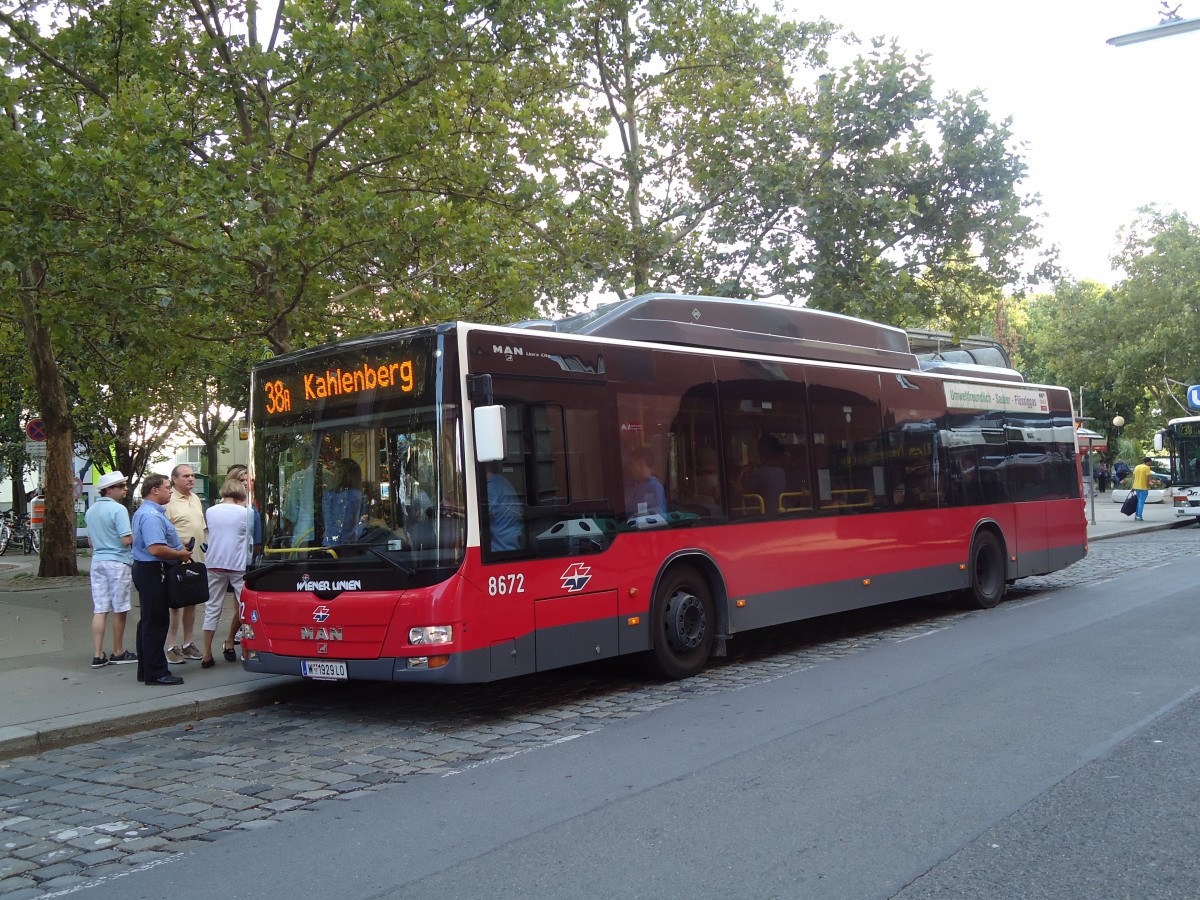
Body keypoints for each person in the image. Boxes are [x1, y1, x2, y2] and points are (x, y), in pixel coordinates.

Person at [131, 474, 191, 687]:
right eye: (167, 487)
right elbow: (155, 548)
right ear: (154, 490)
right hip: (153, 570)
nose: (170, 491)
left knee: (148, 620)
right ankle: (156, 672)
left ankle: (146, 669)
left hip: (147, 569)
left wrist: (176, 543)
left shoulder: (147, 512)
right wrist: (180, 554)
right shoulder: (151, 516)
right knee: (156, 621)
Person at [84, 471, 137, 668]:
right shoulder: (119, 510)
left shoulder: (91, 511)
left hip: (97, 561)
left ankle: (98, 654)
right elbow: (126, 539)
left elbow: (90, 541)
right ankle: (118, 651)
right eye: (120, 486)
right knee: (120, 608)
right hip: (117, 562)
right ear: (109, 489)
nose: (125, 489)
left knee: (100, 609)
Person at [200, 477, 250, 667]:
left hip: (213, 562)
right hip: (237, 565)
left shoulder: (211, 511)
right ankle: (245, 648)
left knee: (212, 608)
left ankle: (206, 653)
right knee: (245, 606)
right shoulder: (245, 513)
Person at [165, 464, 207, 664]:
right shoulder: (168, 500)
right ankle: (171, 646)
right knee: (175, 604)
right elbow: (162, 533)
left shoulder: (196, 499)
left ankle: (188, 643)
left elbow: (202, 529)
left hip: (196, 559)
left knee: (192, 601)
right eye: (186, 476)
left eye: (192, 476)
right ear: (174, 479)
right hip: (176, 561)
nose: (191, 479)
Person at [322, 458, 364, 545]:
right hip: (351, 546)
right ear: (355, 477)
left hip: (329, 545)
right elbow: (361, 524)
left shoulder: (328, 495)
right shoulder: (358, 496)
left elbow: (328, 522)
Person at [743, 434, 787, 515]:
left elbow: (740, 490)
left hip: (761, 515)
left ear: (760, 453)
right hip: (778, 513)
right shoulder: (781, 472)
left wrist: (742, 472)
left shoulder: (759, 473)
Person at [282, 446, 317, 546]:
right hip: (327, 538)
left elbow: (291, 513)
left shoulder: (298, 477)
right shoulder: (330, 476)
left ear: (302, 459)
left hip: (303, 536)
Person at [485, 462, 524, 551]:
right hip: (508, 535)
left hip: (503, 542)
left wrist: (453, 506)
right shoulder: (500, 481)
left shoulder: (493, 486)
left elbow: (479, 513)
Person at [624, 447, 667, 516]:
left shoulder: (655, 487)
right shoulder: (630, 488)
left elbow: (659, 516)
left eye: (631, 463)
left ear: (641, 463)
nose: (629, 467)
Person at [1132, 456, 1153, 522]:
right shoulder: (1147, 468)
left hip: (1136, 486)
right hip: (1143, 487)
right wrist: (1150, 483)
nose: (1151, 463)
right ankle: (1139, 516)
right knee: (1141, 502)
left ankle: (1137, 515)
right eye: (1150, 462)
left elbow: (1134, 477)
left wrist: (1133, 486)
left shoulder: (1137, 467)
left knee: (1139, 501)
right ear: (1148, 461)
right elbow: (1148, 478)